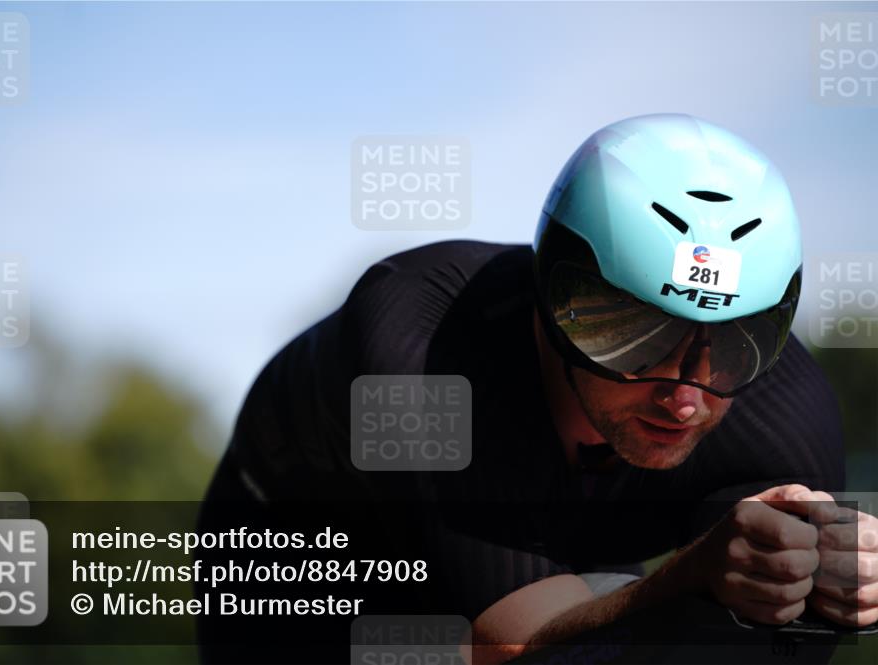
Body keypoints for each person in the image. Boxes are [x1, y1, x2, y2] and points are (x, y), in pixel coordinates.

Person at [195, 114, 877, 665]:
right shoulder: (426, 349)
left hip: (556, 527)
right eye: (636, 338)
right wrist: (690, 573)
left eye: (731, 343)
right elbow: (515, 646)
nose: (686, 396)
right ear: (554, 299)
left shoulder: (785, 412)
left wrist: (834, 588)